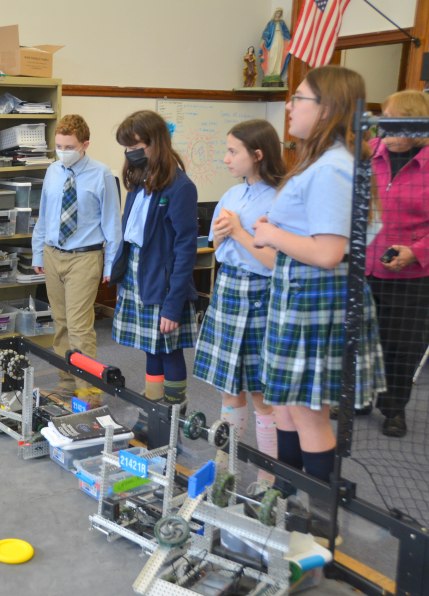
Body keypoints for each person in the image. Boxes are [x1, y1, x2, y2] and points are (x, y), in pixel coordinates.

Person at [251, 66, 386, 483]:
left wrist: (271, 232)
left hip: (316, 297)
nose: (289, 107)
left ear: (327, 109)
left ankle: (319, 519)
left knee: (309, 415)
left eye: (299, 99)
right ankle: (288, 501)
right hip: (300, 295)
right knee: (289, 407)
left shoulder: (332, 167)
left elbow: (328, 253)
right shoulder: (322, 161)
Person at [193, 120, 286, 478]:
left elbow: (276, 262)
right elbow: (217, 250)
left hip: (261, 295)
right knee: (230, 392)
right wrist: (219, 235)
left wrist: (239, 232)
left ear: (258, 155)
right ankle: (223, 464)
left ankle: (268, 475)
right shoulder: (231, 196)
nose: (226, 158)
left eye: (233, 152)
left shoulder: (280, 198)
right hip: (228, 290)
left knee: (262, 396)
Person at [110, 110, 199, 407]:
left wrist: (173, 306)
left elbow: (186, 248)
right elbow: (130, 231)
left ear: (155, 143)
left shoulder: (181, 187)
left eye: (135, 147)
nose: (129, 153)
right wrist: (117, 270)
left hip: (163, 281)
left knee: (169, 349)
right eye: (127, 148)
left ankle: (174, 412)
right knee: (151, 349)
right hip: (137, 273)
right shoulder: (139, 179)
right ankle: (153, 410)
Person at [32, 115, 121, 407]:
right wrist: (37, 252)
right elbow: (44, 215)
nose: (63, 151)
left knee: (80, 326)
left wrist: (110, 266)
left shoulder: (102, 174)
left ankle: (89, 391)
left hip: (85, 257)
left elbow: (112, 223)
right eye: (58, 145)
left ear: (85, 145)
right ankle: (66, 382)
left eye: (69, 146)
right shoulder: (53, 171)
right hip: (53, 253)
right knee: (60, 324)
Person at [365, 90, 429, 438]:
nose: (385, 127)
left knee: (400, 345)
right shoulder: (367, 155)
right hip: (364, 267)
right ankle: (358, 397)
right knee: (358, 338)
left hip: (411, 275)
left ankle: (393, 408)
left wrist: (416, 251)